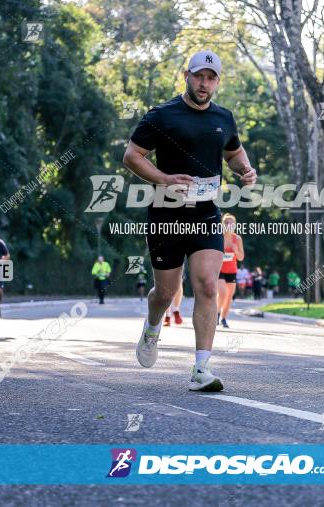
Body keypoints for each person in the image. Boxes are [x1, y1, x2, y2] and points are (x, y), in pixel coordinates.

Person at [123, 49, 255, 392]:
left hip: (206, 213)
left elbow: (233, 151)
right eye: (199, 76)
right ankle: (153, 327)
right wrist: (164, 179)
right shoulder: (162, 116)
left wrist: (244, 169)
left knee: (207, 286)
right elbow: (131, 156)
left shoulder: (224, 118)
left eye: (211, 78)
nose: (204, 83)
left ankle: (201, 369)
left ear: (217, 82)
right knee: (165, 293)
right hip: (165, 215)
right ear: (187, 75)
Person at [216, 213, 244, 329]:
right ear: (223, 224)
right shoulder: (218, 236)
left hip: (231, 270)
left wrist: (236, 251)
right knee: (222, 292)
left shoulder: (237, 239)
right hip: (219, 269)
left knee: (229, 296)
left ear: (235, 225)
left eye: (232, 223)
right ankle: (216, 314)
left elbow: (241, 257)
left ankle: (223, 318)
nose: (229, 225)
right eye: (227, 222)